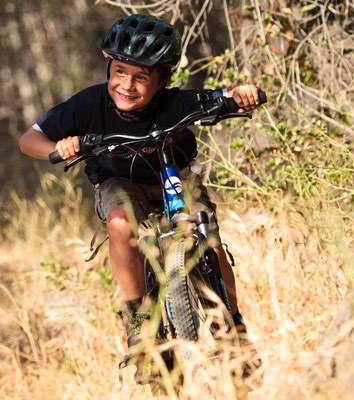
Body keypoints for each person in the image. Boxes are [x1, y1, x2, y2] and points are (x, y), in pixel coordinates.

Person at [19, 14, 261, 380]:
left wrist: (240, 95)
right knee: (120, 225)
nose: (126, 85)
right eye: (119, 71)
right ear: (108, 69)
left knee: (207, 239)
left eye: (141, 77)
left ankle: (233, 328)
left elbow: (221, 98)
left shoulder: (176, 103)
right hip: (119, 181)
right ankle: (140, 325)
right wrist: (58, 147)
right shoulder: (88, 106)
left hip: (174, 176)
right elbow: (29, 140)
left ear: (163, 80)